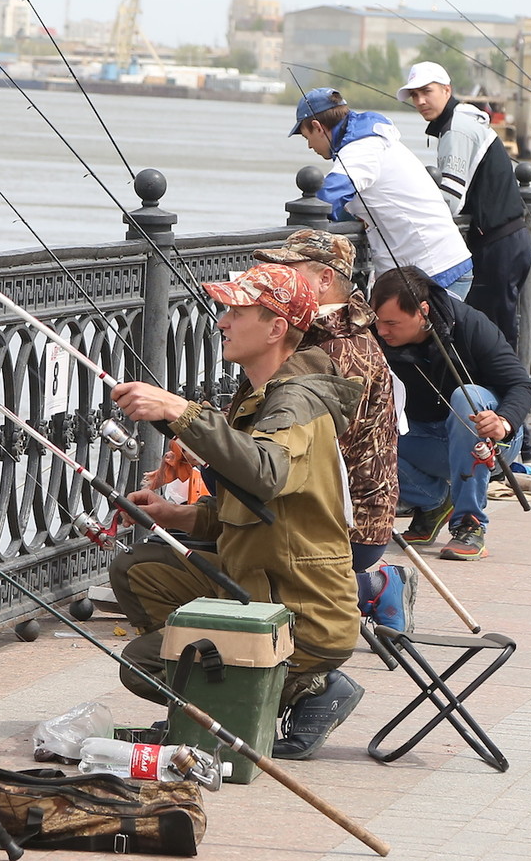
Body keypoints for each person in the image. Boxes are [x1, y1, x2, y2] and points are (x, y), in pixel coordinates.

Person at [107, 261, 366, 761]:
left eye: (236, 312)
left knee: (142, 662)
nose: (222, 322)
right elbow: (255, 502)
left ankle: (293, 691)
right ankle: (227, 691)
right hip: (255, 585)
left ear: (275, 329)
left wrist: (179, 410)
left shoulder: (294, 403)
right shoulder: (260, 395)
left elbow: (266, 472)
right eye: (224, 311)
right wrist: (179, 516)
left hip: (303, 610)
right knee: (140, 572)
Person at [253, 229, 405, 631]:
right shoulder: (329, 331)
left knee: (227, 537)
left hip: (348, 523)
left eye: (289, 270)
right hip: (345, 510)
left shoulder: (336, 348)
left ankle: (370, 585)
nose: (275, 277)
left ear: (324, 280)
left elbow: (308, 457)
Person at [372, 266, 531, 562]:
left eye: (391, 323)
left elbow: (521, 386)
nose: (382, 331)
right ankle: (432, 502)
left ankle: (469, 524)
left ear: (422, 311)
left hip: (491, 441)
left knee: (467, 397)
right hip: (429, 438)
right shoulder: (376, 337)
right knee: (361, 434)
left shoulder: (471, 325)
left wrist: (503, 422)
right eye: (378, 322)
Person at [398, 61, 531, 345]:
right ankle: (510, 386)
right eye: (414, 95)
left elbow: (450, 201)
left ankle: (507, 389)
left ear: (447, 90)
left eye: (427, 91)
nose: (420, 101)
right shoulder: (465, 120)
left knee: (492, 337)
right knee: (501, 331)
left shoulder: (456, 130)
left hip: (497, 245)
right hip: (511, 239)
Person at [294, 87, 471, 293]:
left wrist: (290, 245)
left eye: (307, 137)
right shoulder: (372, 141)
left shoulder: (361, 150)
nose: (309, 146)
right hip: (437, 265)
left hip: (434, 272)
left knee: (397, 326)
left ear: (317, 127)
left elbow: (325, 201)